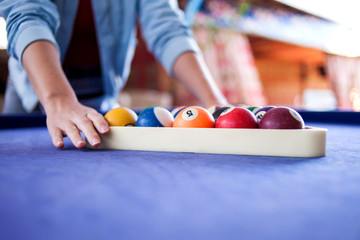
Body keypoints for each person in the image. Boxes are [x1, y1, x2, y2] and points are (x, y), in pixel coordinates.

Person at [0, 0, 228, 149]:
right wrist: (58, 99)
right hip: (34, 95)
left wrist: (214, 101)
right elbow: (27, 16)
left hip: (102, 98)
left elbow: (167, 28)